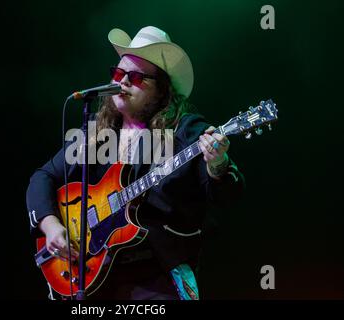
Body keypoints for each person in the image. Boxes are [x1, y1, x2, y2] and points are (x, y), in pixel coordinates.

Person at [26, 26, 245, 300]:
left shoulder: (184, 131)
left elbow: (229, 193)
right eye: (119, 74)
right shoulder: (98, 136)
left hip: (158, 275)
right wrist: (50, 225)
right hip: (97, 275)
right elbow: (43, 177)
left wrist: (218, 163)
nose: (123, 82)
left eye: (136, 77)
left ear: (161, 90)